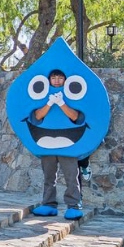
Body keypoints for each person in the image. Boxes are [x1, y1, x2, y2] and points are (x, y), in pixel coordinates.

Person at [31, 69, 86, 219]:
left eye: (60, 78)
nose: (56, 81)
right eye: (53, 78)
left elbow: (75, 117)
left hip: (68, 145)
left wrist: (61, 103)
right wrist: (50, 102)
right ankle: (48, 204)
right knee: (49, 176)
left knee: (71, 176)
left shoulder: (71, 97)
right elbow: (37, 116)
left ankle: (73, 206)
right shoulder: (44, 97)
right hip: (46, 143)